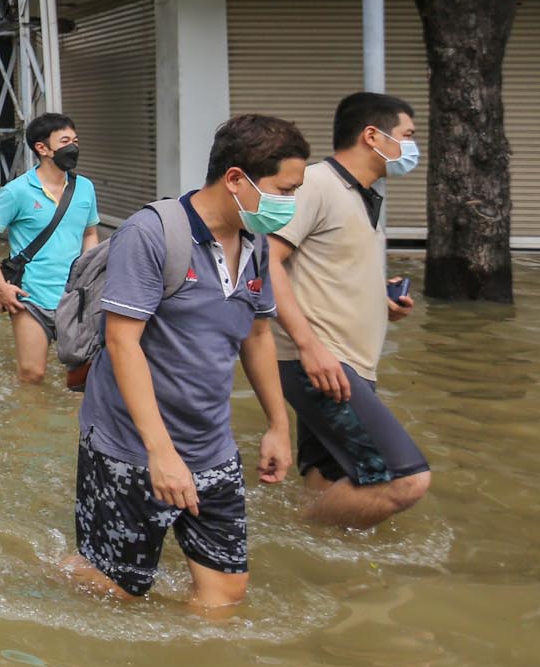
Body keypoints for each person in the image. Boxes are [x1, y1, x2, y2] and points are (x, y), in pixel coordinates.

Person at [64, 114, 306, 609]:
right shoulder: (151, 235)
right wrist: (161, 453)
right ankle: (63, 569)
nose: (291, 204)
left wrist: (279, 424)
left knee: (226, 592)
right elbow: (122, 344)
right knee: (117, 591)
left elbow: (257, 333)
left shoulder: (255, 240)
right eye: (285, 189)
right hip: (128, 448)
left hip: (211, 447)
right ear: (236, 178)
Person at [266, 92, 432, 527]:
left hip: (348, 363)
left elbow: (326, 269)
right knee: (405, 480)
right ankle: (287, 542)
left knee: (330, 480)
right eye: (407, 136)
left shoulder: (365, 193)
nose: (412, 148)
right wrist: (309, 347)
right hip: (323, 363)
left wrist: (381, 298)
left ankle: (313, 569)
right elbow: (266, 262)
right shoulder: (316, 183)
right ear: (372, 136)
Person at [0, 112, 101, 384]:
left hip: (75, 298)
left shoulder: (85, 189)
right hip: (30, 297)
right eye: (65, 141)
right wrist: (0, 286)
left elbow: (90, 233)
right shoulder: (17, 191)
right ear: (42, 148)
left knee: (82, 378)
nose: (73, 147)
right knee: (32, 375)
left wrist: (91, 280)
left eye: (75, 140)